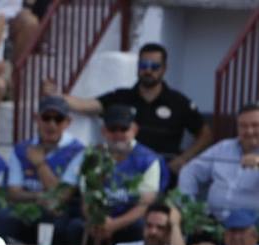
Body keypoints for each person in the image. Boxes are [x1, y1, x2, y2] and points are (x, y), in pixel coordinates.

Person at [43, 43, 210, 176]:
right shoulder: (121, 97)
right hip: (122, 170)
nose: (148, 70)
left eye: (154, 66)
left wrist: (184, 159)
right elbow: (86, 105)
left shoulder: (179, 102)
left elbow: (205, 134)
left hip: (163, 169)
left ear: (164, 69)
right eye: (143, 65)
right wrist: (55, 95)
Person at [0, 94, 84, 245]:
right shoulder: (21, 149)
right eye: (46, 118)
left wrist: (40, 164)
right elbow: (13, 193)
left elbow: (60, 197)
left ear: (67, 122)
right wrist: (40, 197)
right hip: (28, 207)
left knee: (59, 225)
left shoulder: (78, 151)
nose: (51, 125)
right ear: (37, 119)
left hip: (60, 214)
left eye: (58, 119)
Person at [81, 104, 165, 245]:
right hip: (99, 220)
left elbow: (145, 204)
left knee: (139, 228)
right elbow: (86, 199)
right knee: (74, 228)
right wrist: (98, 221)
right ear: (104, 131)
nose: (118, 134)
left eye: (123, 129)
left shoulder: (148, 159)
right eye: (113, 129)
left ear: (134, 130)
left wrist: (114, 225)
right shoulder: (92, 156)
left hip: (130, 220)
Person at [176, 103, 259, 225]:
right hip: (211, 221)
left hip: (251, 226)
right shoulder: (224, 147)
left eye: (255, 125)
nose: (249, 131)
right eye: (243, 126)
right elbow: (190, 171)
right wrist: (188, 207)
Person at [110, 202, 183, 245]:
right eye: (149, 225)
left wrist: (175, 224)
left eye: (160, 227)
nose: (153, 232)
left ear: (169, 232)